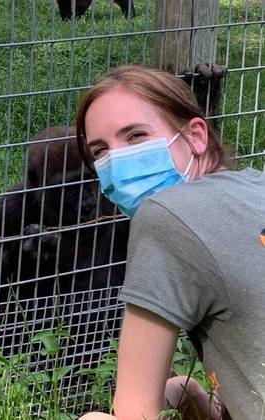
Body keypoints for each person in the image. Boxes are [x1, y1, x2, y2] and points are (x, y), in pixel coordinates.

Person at [73, 65, 265, 420]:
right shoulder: (258, 185)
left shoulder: (163, 216)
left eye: (136, 136)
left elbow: (135, 412)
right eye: (100, 151)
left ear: (196, 135)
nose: (117, 161)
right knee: (184, 390)